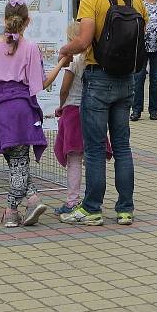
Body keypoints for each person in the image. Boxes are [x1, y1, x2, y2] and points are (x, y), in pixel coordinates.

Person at [58, 0, 148, 227]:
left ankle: (92, 207)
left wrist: (64, 49)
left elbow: (83, 41)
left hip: (98, 78)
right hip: (127, 79)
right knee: (122, 146)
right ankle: (125, 209)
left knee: (95, 148)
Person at [0, 0, 71, 228]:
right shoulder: (31, 48)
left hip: (1, 111)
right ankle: (32, 199)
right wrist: (62, 63)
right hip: (24, 109)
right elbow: (41, 83)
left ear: (4, 20)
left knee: (15, 161)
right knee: (18, 160)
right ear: (28, 21)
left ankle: (11, 212)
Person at [52, 21, 112, 217]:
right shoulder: (94, 58)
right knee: (94, 157)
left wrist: (61, 105)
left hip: (73, 111)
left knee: (75, 160)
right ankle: (93, 200)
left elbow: (64, 89)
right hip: (95, 110)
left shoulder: (74, 61)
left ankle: (72, 201)